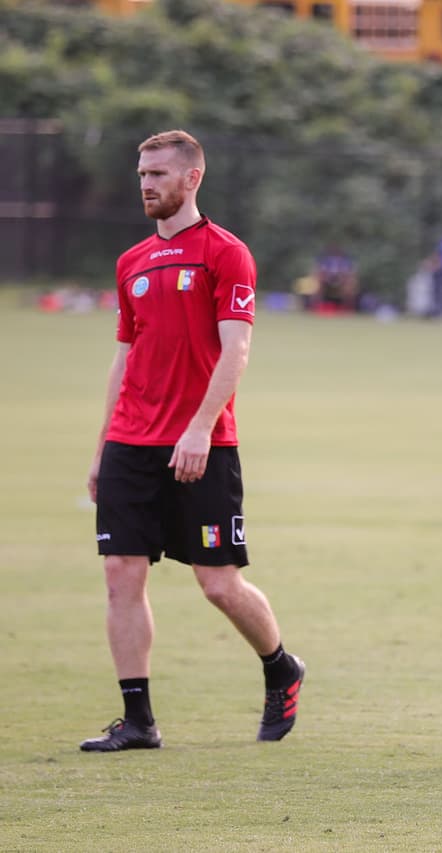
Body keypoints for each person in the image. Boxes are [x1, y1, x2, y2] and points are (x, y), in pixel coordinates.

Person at [82, 130, 304, 752]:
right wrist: (103, 447)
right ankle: (138, 721)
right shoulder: (131, 263)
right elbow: (124, 359)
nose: (147, 183)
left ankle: (280, 666)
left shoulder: (225, 253)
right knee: (121, 575)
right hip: (131, 441)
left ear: (191, 178)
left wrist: (201, 428)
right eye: (142, 173)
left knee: (218, 583)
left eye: (158, 173)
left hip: (202, 442)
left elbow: (237, 349)